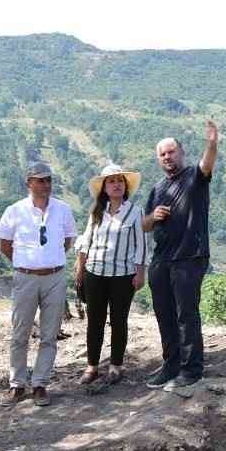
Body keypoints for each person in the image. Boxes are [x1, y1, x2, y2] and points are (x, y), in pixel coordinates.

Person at [142, 120, 219, 388]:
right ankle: (170, 365)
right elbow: (144, 225)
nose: (167, 157)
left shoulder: (195, 177)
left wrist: (211, 143)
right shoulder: (157, 189)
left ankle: (192, 369)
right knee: (165, 315)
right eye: (162, 154)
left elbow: (207, 164)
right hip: (161, 258)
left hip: (189, 255)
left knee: (186, 314)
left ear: (181, 153)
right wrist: (154, 216)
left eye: (171, 151)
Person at [0, 162, 77, 406]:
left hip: (54, 277)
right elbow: (4, 244)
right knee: (20, 332)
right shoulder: (14, 211)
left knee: (50, 334)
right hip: (26, 277)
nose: (46, 185)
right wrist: (26, 263)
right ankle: (17, 383)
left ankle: (40, 383)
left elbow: (68, 240)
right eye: (40, 180)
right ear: (28, 183)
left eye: (48, 180)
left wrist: (49, 261)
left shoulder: (63, 209)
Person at [73, 163, 147, 390]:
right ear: (104, 188)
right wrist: (80, 269)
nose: (116, 185)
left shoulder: (136, 212)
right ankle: (92, 366)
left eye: (120, 181)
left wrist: (140, 273)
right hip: (95, 272)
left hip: (123, 276)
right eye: (111, 181)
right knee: (94, 321)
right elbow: (86, 241)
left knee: (118, 321)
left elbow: (141, 245)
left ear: (126, 186)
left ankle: (116, 365)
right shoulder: (97, 212)